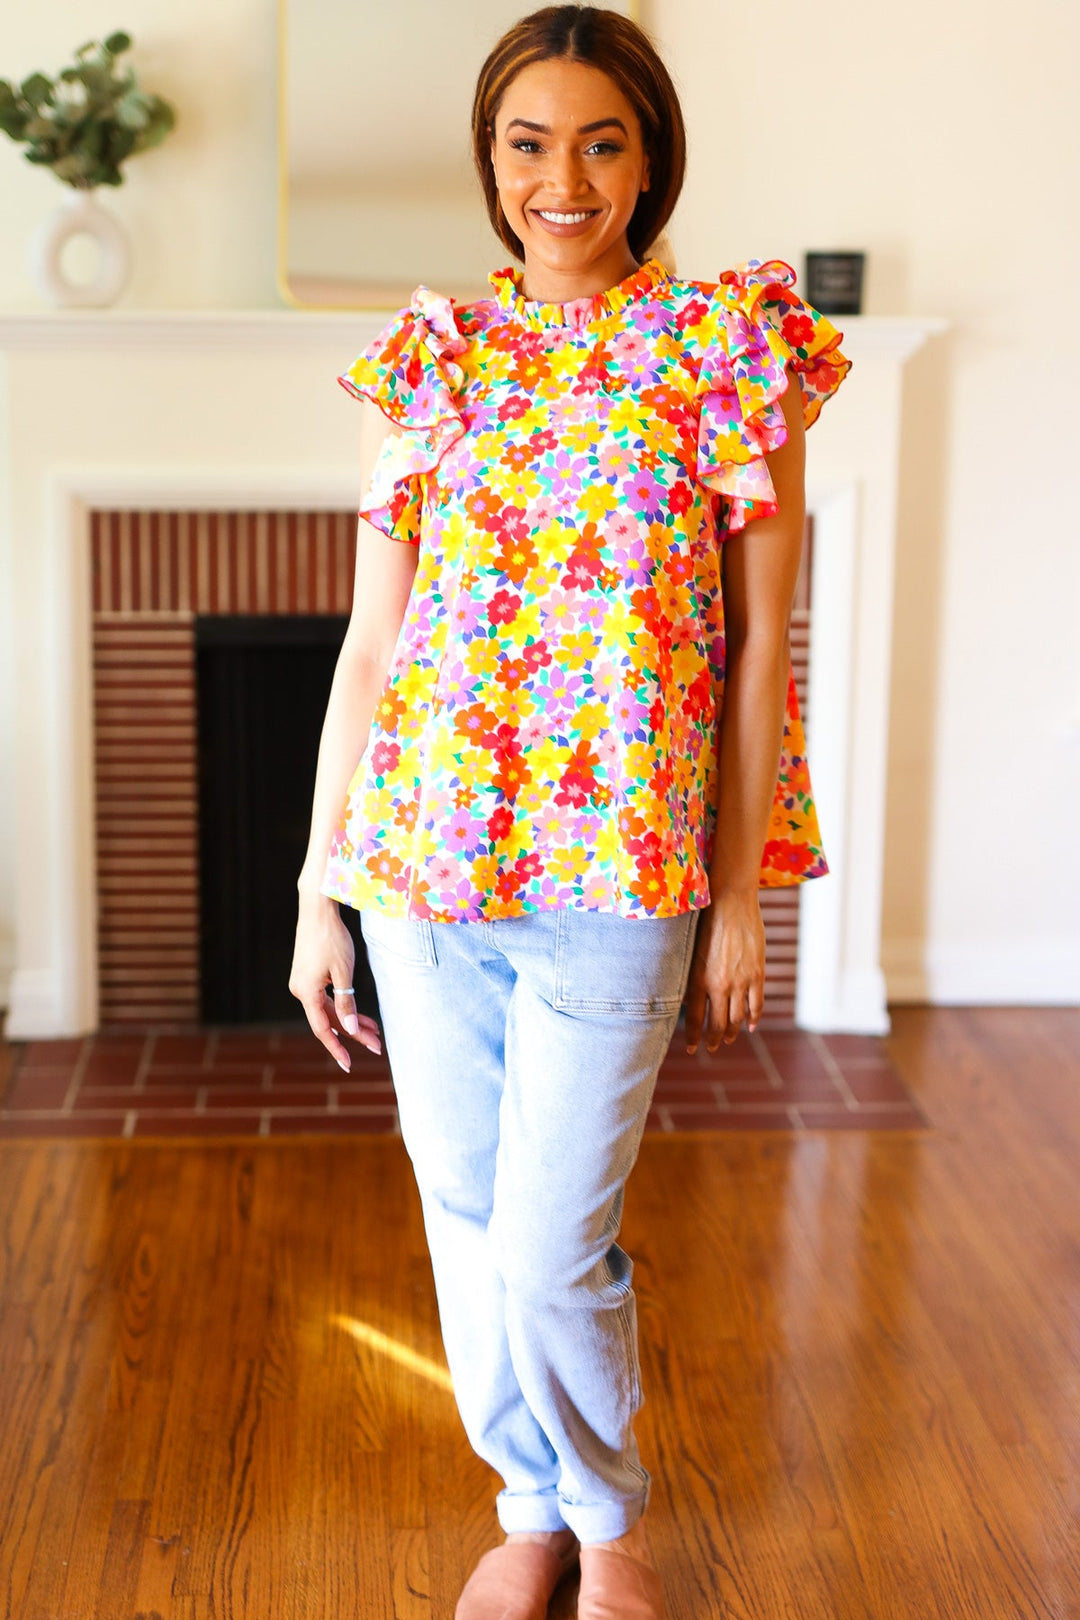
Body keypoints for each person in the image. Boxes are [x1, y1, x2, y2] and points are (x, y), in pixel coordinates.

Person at [290, 6, 850, 1616]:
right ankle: (527, 1508)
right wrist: (322, 890)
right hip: (423, 873)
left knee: (551, 1244)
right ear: (489, 159)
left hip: (623, 882)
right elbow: (375, 644)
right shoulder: (436, 360)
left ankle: (608, 1522)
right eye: (529, 143)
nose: (564, 180)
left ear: (651, 159)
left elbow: (756, 653)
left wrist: (739, 899)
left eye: (603, 143)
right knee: (466, 1217)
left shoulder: (728, 349)